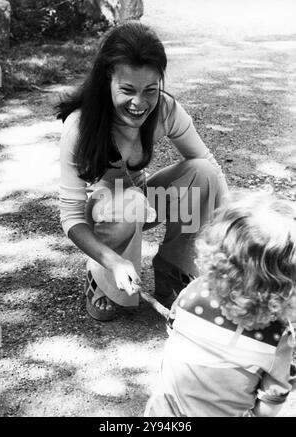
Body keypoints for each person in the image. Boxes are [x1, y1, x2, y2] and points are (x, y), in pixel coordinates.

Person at [57, 21, 228, 321]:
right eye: (127, 90)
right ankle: (101, 278)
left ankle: (174, 267)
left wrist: (238, 225)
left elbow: (207, 163)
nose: (139, 103)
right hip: (104, 214)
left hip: (143, 204)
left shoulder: (166, 110)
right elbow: (70, 217)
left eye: (150, 90)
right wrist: (112, 261)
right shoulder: (79, 126)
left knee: (203, 174)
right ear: (106, 79)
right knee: (131, 201)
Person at [145, 192, 296, 417]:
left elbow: (172, 328)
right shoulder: (277, 337)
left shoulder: (193, 293)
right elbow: (267, 408)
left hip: (163, 413)